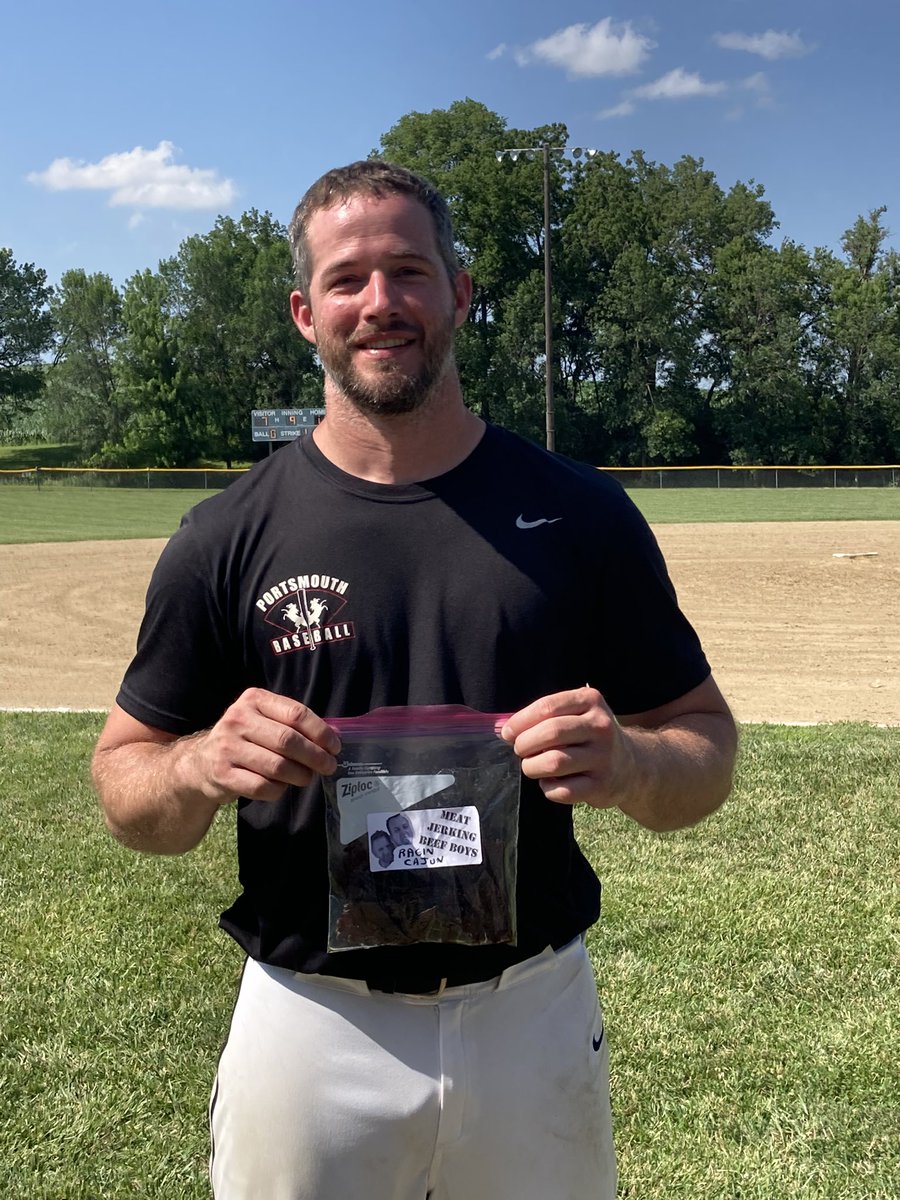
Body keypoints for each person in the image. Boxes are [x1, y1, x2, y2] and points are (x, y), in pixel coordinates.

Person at [92, 159, 738, 1200]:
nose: (380, 302)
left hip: (529, 1012)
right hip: (310, 1021)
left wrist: (628, 762)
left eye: (409, 270)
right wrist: (203, 763)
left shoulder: (580, 515)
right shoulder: (224, 538)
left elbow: (704, 748)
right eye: (348, 280)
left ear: (461, 293)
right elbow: (128, 791)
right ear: (306, 313)